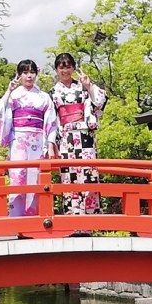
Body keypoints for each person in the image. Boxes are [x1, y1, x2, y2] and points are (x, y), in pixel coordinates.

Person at [0, 59, 57, 217]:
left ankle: (35, 217)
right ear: (19, 75)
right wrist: (8, 91)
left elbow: (51, 121)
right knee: (18, 174)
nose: (29, 76)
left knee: (35, 177)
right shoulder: (14, 95)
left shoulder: (43, 97)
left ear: (36, 74)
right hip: (19, 139)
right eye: (25, 73)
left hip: (37, 138)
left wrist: (50, 145)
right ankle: (17, 218)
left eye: (32, 72)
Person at [49, 53, 107, 216]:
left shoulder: (82, 87)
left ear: (73, 68)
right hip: (66, 137)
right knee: (68, 176)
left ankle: (90, 219)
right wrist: (52, 144)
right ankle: (72, 217)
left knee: (89, 174)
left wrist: (89, 86)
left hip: (84, 135)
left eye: (68, 66)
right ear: (56, 69)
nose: (65, 70)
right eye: (61, 67)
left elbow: (100, 104)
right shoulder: (53, 92)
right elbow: (51, 120)